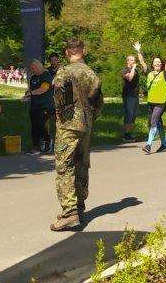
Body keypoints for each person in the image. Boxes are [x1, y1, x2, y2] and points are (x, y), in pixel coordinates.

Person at [50, 38, 103, 231]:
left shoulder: (64, 71)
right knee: (81, 164)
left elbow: (58, 93)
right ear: (83, 51)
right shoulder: (91, 73)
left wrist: (59, 113)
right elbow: (99, 103)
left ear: (66, 53)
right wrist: (90, 118)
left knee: (64, 166)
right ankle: (79, 208)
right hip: (86, 125)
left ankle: (69, 212)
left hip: (69, 124)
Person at [138, 42, 166, 154]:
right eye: (155, 62)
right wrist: (139, 51)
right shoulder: (149, 73)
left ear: (161, 64)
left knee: (154, 121)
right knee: (158, 123)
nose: (157, 63)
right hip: (151, 103)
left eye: (159, 62)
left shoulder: (165, 74)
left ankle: (148, 144)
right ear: (153, 64)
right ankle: (164, 144)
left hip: (161, 103)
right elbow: (142, 62)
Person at [26, 60, 55, 154]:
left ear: (39, 67)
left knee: (41, 125)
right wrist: (27, 95)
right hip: (34, 106)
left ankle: (47, 140)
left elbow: (44, 89)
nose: (32, 70)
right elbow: (32, 89)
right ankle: (36, 146)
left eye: (33, 68)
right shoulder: (33, 77)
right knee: (34, 126)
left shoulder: (46, 76)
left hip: (45, 105)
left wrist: (31, 93)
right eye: (31, 69)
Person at [120, 44, 144, 142]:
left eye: (134, 60)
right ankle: (126, 135)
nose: (133, 62)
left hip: (135, 95)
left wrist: (138, 51)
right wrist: (133, 68)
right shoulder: (124, 70)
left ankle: (130, 134)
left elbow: (143, 64)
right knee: (129, 115)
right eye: (131, 60)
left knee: (134, 115)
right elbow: (129, 78)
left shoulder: (136, 70)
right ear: (127, 61)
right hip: (128, 95)